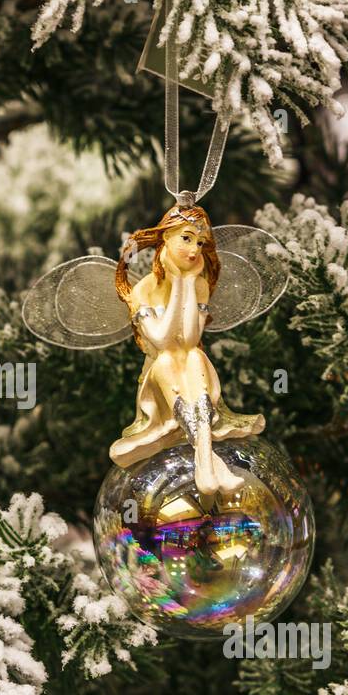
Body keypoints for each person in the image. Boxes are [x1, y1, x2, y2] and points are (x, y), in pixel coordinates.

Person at [110, 204, 265, 497]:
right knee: (168, 359)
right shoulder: (144, 288)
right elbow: (163, 341)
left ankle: (205, 464)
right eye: (186, 238)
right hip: (160, 382)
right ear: (165, 236)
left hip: (192, 372)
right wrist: (180, 283)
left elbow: (191, 339)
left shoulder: (201, 284)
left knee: (193, 354)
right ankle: (212, 465)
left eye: (200, 242)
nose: (195, 249)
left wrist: (189, 282)